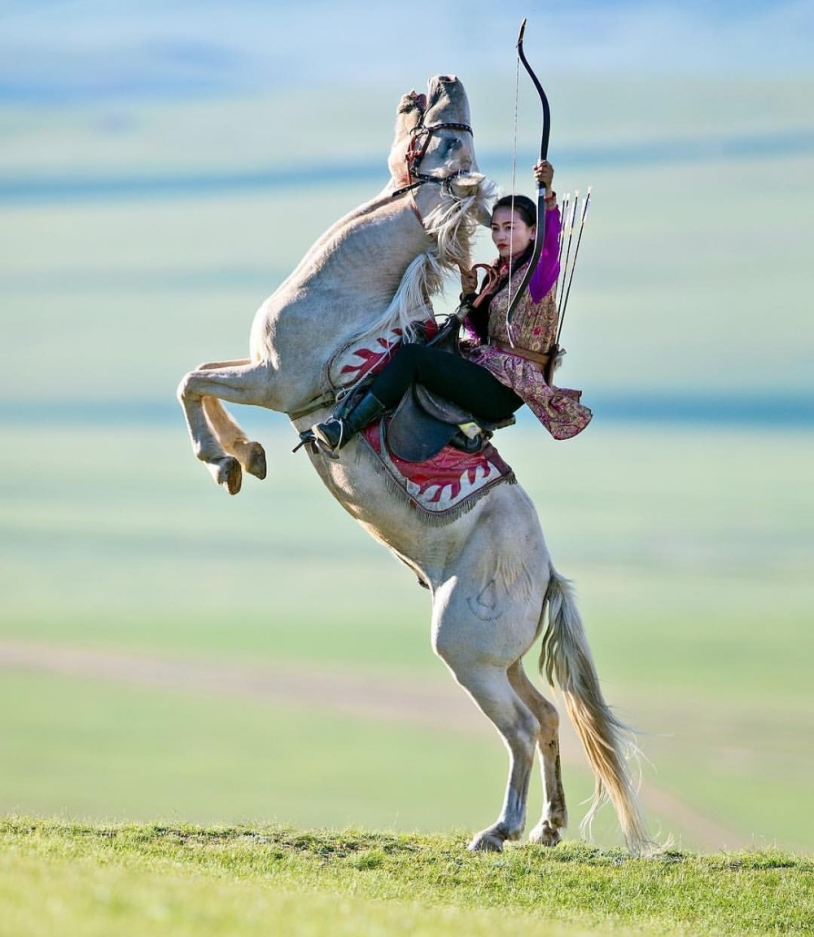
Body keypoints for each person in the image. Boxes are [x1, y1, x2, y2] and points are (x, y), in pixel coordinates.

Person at [311, 160, 592, 452]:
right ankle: (462, 429)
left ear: (533, 232)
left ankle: (345, 428)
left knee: (413, 358)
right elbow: (479, 332)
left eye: (510, 228)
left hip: (505, 387)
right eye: (496, 228)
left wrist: (546, 194)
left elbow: (551, 248)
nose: (500, 236)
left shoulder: (538, 275)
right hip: (487, 369)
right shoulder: (500, 273)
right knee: (417, 341)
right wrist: (469, 297)